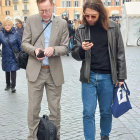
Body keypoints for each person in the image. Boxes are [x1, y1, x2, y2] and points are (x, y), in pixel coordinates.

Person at [71, 0, 127, 140]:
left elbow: (120, 53)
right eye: (87, 16)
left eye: (93, 16)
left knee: (106, 112)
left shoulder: (113, 28)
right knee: (88, 113)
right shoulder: (81, 29)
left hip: (108, 77)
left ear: (101, 14)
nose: (89, 19)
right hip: (89, 77)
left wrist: (121, 78)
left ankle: (104, 136)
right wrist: (82, 50)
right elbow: (74, 53)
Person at [21, 0, 69, 139]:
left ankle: (55, 137)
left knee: (55, 110)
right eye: (42, 10)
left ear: (53, 6)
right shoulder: (31, 20)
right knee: (33, 109)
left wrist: (53, 50)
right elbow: (24, 43)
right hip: (35, 71)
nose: (45, 13)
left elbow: (65, 47)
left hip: (54, 72)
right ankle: (32, 137)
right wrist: (35, 50)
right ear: (38, 8)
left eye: (47, 10)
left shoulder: (62, 23)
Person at [0, 19, 22, 93]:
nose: (7, 26)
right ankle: (8, 84)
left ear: (11, 25)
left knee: (13, 70)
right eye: (5, 25)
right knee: (7, 70)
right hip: (5, 55)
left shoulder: (16, 33)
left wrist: (22, 53)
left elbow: (20, 44)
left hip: (14, 55)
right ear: (3, 26)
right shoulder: (1, 34)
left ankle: (13, 86)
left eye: (8, 25)